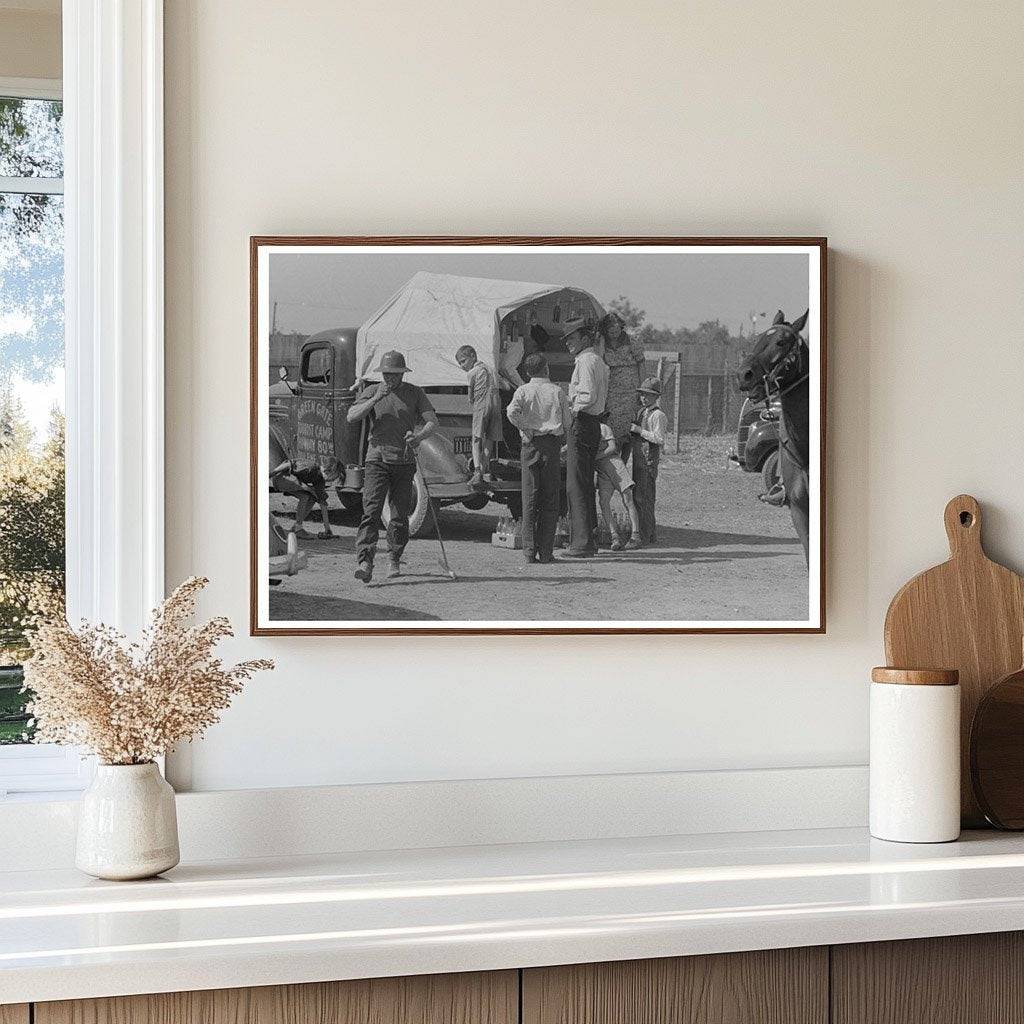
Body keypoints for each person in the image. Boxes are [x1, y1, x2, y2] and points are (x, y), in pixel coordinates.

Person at [346, 350, 437, 582]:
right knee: (371, 511)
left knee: (398, 516)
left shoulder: (415, 393)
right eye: (387, 374)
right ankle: (365, 562)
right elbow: (351, 416)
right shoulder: (371, 390)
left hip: (404, 460)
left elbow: (432, 422)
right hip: (376, 458)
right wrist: (376, 398)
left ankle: (394, 558)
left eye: (395, 374)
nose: (390, 378)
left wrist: (419, 437)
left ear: (403, 374)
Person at [506, 352, 570, 563]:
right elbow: (568, 422)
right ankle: (546, 552)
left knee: (529, 498)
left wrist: (527, 427)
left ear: (526, 372)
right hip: (551, 446)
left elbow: (511, 413)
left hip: (530, 444)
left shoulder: (523, 390)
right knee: (550, 498)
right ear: (547, 369)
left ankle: (528, 551)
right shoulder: (557, 391)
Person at [560, 320, 608, 559]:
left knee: (576, 484)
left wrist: (572, 408)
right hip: (593, 424)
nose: (568, 342)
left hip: (582, 421)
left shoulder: (586, 362)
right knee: (585, 482)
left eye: (572, 337)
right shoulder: (597, 360)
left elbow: (587, 395)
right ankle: (588, 539)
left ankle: (580, 543)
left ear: (585, 338)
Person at [268, 428, 333, 540]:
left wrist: (327, 528)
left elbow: (322, 504)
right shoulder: (311, 467)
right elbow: (289, 464)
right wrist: (271, 473)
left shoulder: (320, 480)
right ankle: (298, 528)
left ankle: (296, 527)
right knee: (305, 495)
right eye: (335, 476)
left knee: (312, 498)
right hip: (282, 477)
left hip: (291, 481)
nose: (334, 479)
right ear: (329, 470)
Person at [455, 344, 503, 488]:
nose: (462, 366)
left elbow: (470, 397)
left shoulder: (472, 373)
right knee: (490, 438)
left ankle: (477, 471)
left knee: (476, 439)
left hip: (481, 405)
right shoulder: (491, 369)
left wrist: (472, 401)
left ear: (473, 357)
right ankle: (484, 466)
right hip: (496, 404)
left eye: (463, 361)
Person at [599, 311, 646, 455]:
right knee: (611, 424)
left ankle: (623, 460)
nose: (613, 332)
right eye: (610, 329)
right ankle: (612, 456)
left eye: (616, 328)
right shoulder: (602, 343)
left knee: (628, 427)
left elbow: (641, 364)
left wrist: (642, 389)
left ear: (621, 327)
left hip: (631, 389)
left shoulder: (632, 341)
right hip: (611, 389)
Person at [630, 376, 670, 545]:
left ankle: (645, 535)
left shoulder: (658, 415)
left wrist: (639, 430)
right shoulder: (642, 412)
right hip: (639, 460)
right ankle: (649, 533)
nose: (644, 398)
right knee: (639, 496)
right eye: (642, 394)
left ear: (656, 397)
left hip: (648, 462)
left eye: (648, 395)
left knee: (645, 498)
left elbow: (659, 439)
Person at [595, 417, 641, 551]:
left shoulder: (603, 428)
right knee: (603, 502)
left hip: (615, 466)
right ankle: (614, 536)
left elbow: (612, 448)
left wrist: (594, 457)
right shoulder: (588, 430)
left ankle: (635, 535)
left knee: (627, 498)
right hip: (602, 471)